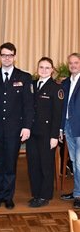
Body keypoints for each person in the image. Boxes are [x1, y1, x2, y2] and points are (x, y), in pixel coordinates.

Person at [0, 42, 34, 209]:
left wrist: (27, 126)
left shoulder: (24, 77)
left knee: (10, 163)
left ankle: (8, 196)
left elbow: (28, 105)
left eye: (10, 55)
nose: (6, 58)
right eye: (3, 55)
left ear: (14, 56)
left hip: (15, 129)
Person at [26, 57, 64, 207]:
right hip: (32, 132)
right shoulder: (32, 85)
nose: (43, 70)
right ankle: (36, 193)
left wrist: (54, 135)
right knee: (33, 165)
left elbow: (57, 114)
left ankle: (45, 196)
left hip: (47, 134)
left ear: (52, 70)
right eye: (41, 67)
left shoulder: (56, 88)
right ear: (37, 69)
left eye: (47, 68)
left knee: (45, 165)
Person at [60, 53, 80, 208]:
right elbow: (62, 107)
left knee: (79, 163)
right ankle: (76, 192)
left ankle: (78, 194)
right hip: (68, 126)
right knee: (74, 162)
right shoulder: (65, 82)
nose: (73, 65)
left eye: (76, 62)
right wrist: (61, 127)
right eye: (71, 63)